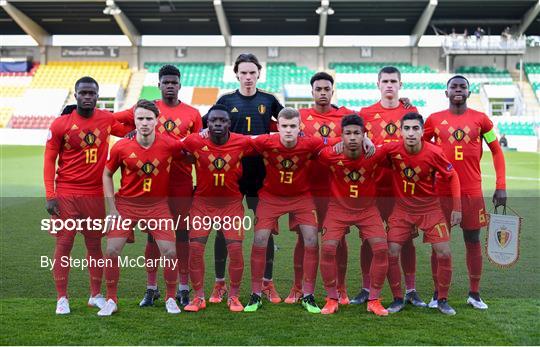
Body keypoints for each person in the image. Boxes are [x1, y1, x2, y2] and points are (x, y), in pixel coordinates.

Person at [113, 64, 202, 307]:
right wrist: (129, 133)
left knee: (182, 235)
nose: (170, 86)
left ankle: (183, 287)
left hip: (182, 182)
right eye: (166, 82)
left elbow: (198, 151)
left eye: (174, 82)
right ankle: (151, 288)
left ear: (180, 85)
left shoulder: (193, 113)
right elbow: (112, 122)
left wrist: (200, 184)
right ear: (159, 84)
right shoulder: (145, 110)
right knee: (153, 237)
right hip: (152, 183)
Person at [44, 76, 130, 314]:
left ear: (98, 96)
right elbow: (49, 160)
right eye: (83, 93)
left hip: (95, 194)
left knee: (94, 246)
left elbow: (131, 125)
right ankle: (62, 298)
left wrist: (137, 113)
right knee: (64, 244)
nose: (88, 97)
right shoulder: (61, 124)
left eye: (92, 93)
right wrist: (50, 194)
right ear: (76, 95)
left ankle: (95, 295)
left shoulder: (106, 118)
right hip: (67, 192)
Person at [244, 107, 339, 314]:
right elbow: (240, 140)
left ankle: (308, 295)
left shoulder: (310, 143)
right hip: (271, 197)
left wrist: (366, 140)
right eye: (284, 126)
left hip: (301, 198)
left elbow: (335, 141)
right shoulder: (266, 142)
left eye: (292, 126)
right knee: (259, 240)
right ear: (277, 127)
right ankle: (256, 294)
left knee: (312, 239)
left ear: (299, 127)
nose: (288, 130)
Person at [206, 53, 284, 304]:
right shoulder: (226, 100)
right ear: (237, 74)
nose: (248, 77)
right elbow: (204, 125)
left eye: (252, 72)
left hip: (262, 175)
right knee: (223, 230)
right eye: (244, 72)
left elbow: (290, 123)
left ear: (258, 74)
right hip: (231, 174)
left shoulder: (269, 100)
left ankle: (267, 283)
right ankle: (220, 284)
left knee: (265, 230)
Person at [424, 75, 507, 310]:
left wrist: (501, 185)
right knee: (438, 243)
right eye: (454, 86)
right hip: (441, 191)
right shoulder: (434, 120)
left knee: (472, 240)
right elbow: (420, 147)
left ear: (469, 93)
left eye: (463, 87)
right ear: (446, 92)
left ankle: (474, 293)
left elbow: (496, 151)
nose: (458, 90)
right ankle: (437, 293)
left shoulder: (482, 121)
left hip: (471, 190)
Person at [99, 100, 184, 316]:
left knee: (171, 252)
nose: (144, 123)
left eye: (148, 118)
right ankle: (111, 300)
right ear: (134, 120)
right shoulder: (121, 147)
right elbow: (107, 174)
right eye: (140, 118)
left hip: (157, 206)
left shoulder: (169, 144)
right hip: (126, 205)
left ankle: (170, 298)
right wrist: (112, 209)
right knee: (111, 251)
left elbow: (191, 151)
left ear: (157, 120)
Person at [351, 66, 426, 308]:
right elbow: (354, 138)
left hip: (402, 187)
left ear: (400, 85)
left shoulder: (410, 111)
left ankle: (411, 290)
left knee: (406, 239)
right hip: (372, 186)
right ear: (378, 84)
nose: (390, 85)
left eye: (394, 81)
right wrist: (364, 137)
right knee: (368, 239)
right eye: (385, 81)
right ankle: (366, 288)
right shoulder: (366, 113)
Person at [287, 72, 360, 305]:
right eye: (318, 89)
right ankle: (298, 287)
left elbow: (363, 127)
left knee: (338, 240)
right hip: (305, 189)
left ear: (332, 91)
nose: (322, 92)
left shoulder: (345, 115)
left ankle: (341, 288)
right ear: (312, 92)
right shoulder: (301, 116)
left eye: (326, 89)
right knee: (303, 239)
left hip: (336, 189)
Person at [384, 112, 462, 316]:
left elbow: (452, 176)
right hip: (402, 210)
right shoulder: (392, 150)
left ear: (421, 132)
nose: (411, 133)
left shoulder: (434, 152)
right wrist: (365, 140)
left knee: (444, 252)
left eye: (415, 128)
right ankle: (398, 299)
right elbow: (372, 152)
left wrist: (457, 207)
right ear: (400, 132)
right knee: (391, 251)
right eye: (407, 128)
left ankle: (442, 299)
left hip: (430, 210)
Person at [182, 104, 254, 313]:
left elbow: (266, 142)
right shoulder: (195, 141)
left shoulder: (242, 141)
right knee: (195, 250)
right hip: (202, 205)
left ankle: (233, 296)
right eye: (214, 121)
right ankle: (198, 297)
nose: (218, 124)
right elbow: (172, 145)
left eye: (222, 121)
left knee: (236, 251)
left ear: (229, 123)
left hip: (231, 205)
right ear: (208, 123)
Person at [318, 114, 389, 317]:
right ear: (342, 135)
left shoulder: (374, 153)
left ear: (363, 134)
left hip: (367, 210)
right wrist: (335, 142)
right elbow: (313, 142)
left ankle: (374, 300)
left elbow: (395, 146)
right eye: (347, 133)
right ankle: (332, 298)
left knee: (381, 250)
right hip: (338, 209)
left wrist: (370, 141)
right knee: (329, 249)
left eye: (357, 133)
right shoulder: (329, 154)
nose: (352, 137)